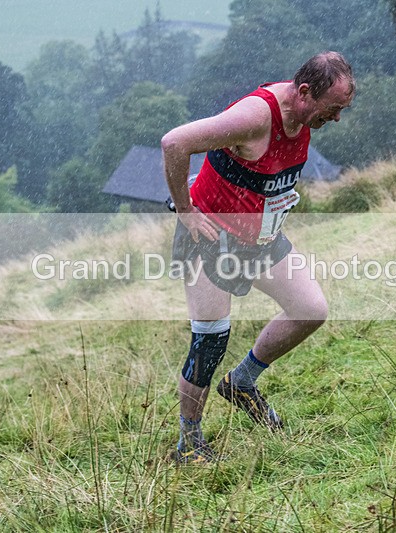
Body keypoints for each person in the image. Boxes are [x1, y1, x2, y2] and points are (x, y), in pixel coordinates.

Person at [161, 51, 355, 463]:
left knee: (310, 309)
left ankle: (242, 383)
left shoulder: (303, 114)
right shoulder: (255, 117)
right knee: (210, 340)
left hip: (262, 241)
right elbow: (175, 143)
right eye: (332, 109)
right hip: (210, 238)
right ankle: (188, 442)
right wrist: (186, 211)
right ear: (304, 92)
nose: (336, 119)